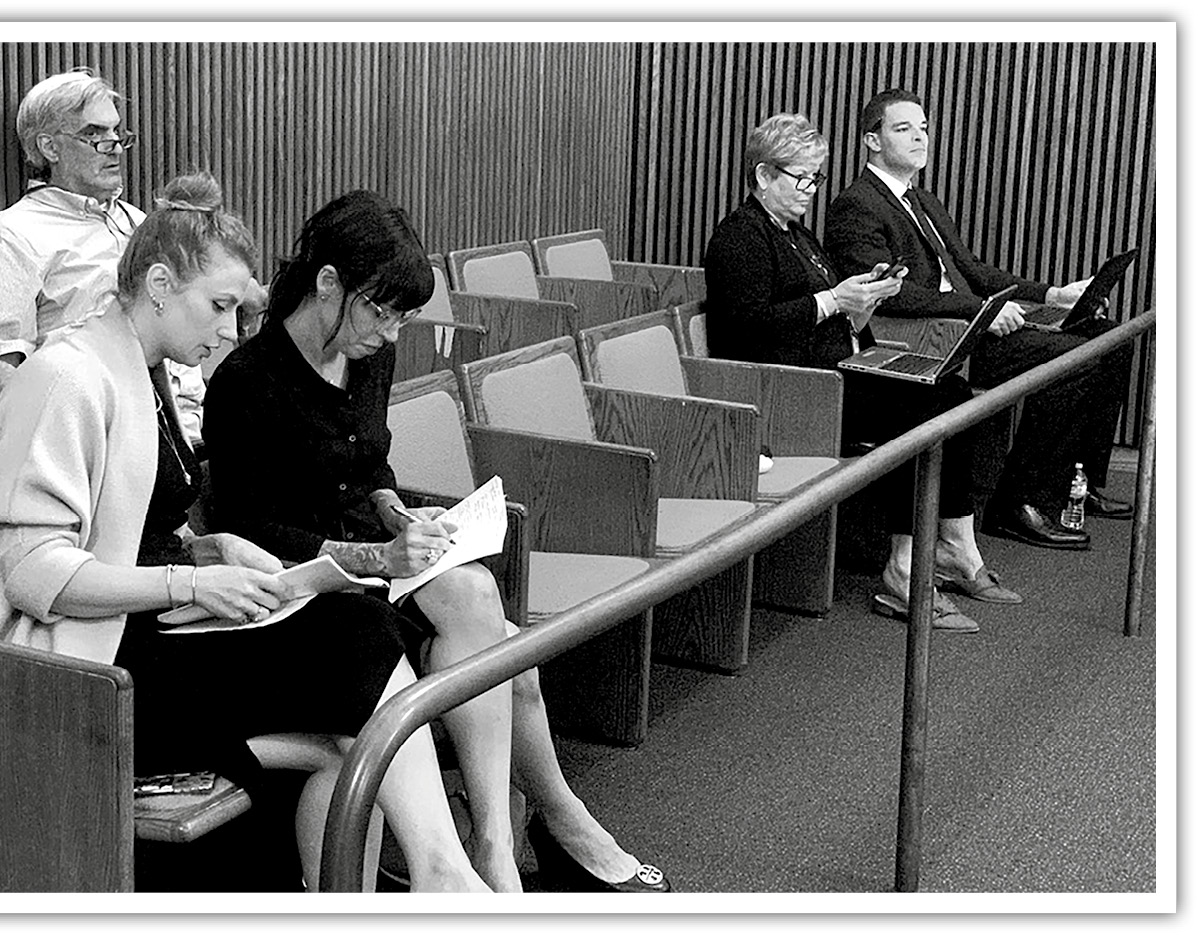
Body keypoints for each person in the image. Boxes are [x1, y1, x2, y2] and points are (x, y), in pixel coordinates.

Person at [0, 172, 491, 894]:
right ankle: (446, 874)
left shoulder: (139, 368)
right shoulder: (65, 377)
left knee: (356, 646)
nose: (232, 331)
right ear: (160, 285)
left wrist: (211, 548)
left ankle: (435, 874)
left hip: (133, 626)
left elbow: (136, 530)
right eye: (221, 306)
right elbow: (34, 575)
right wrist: (193, 581)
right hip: (80, 669)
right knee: (355, 638)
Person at [203, 189, 672, 893]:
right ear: (327, 283)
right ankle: (515, 839)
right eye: (380, 311)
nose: (391, 333)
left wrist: (397, 513)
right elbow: (251, 529)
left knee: (479, 596)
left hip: (374, 564)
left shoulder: (366, 355)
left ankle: (493, 841)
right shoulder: (246, 381)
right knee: (509, 656)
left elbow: (370, 466)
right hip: (305, 591)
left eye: (403, 317)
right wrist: (376, 555)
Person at [704, 113, 1022, 634]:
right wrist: (833, 300)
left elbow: (832, 314)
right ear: (763, 175)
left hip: (833, 372)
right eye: (801, 178)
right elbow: (747, 331)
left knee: (952, 391)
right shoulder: (740, 238)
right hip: (791, 392)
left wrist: (865, 297)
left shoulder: (796, 234)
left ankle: (956, 545)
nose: (810, 190)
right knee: (921, 409)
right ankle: (903, 569)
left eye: (816, 178)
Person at [824, 88, 1135, 550]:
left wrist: (1052, 295)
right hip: (938, 341)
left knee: (1110, 338)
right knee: (1077, 360)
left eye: (923, 128)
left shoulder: (923, 201)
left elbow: (971, 270)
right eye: (903, 129)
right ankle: (1020, 503)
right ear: (872, 140)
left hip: (973, 322)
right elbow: (891, 295)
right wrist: (981, 313)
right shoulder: (857, 204)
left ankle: (1077, 481)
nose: (920, 138)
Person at [0, 68, 224, 449]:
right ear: (50, 148)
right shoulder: (13, 235)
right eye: (94, 134)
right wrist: (62, 440)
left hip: (190, 428)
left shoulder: (139, 222)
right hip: (102, 440)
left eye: (116, 132)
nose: (114, 146)